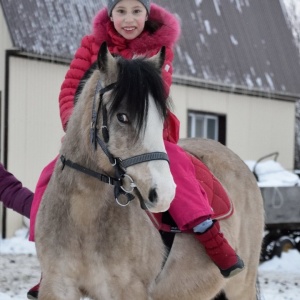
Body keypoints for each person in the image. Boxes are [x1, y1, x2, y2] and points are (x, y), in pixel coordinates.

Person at [1, 0, 244, 298]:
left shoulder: (158, 49)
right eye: (121, 11)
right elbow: (69, 89)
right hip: (95, 131)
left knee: (179, 169)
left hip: (147, 132)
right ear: (110, 14)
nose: (129, 19)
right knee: (50, 175)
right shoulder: (92, 45)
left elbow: (156, 98)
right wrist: (73, 125)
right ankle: (50, 264)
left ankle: (210, 235)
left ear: (147, 14)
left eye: (136, 11)